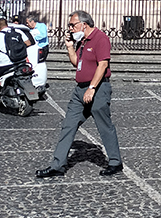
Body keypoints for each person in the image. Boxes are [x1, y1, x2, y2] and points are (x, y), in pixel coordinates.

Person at [35, 11, 123, 179]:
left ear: (84, 24)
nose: (70, 29)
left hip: (97, 89)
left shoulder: (100, 38)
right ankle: (57, 165)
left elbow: (103, 64)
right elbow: (78, 63)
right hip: (80, 90)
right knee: (68, 125)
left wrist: (92, 88)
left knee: (104, 126)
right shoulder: (81, 41)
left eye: (72, 25)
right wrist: (69, 47)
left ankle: (115, 162)